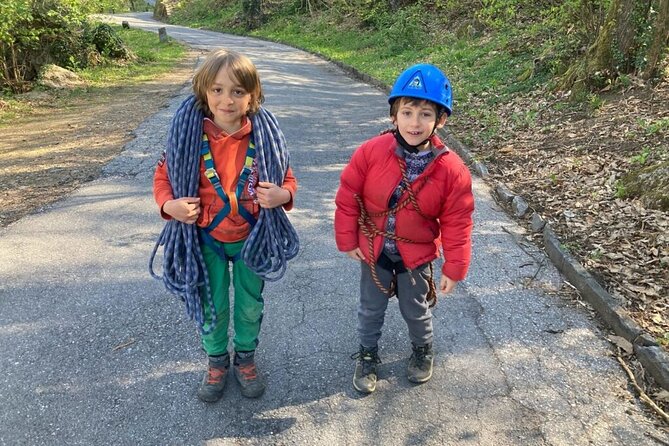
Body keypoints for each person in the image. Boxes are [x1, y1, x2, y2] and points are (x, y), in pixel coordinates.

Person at [153, 49, 297, 402]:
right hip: (205, 239)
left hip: (253, 239)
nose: (226, 100)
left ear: (252, 97)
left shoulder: (266, 139)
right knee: (210, 304)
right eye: (217, 90)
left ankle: (245, 358)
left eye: (237, 92)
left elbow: (287, 177)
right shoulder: (189, 137)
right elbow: (163, 176)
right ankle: (216, 360)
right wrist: (168, 205)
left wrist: (283, 195)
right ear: (204, 93)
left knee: (250, 305)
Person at [334, 63, 474, 394]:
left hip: (417, 256)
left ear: (439, 120)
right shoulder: (371, 152)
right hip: (375, 251)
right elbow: (348, 195)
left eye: (425, 114)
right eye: (407, 112)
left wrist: (454, 267)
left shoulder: (451, 170)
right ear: (394, 116)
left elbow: (458, 220)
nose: (415, 122)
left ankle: (422, 350)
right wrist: (347, 238)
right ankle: (367, 354)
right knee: (370, 310)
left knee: (417, 310)